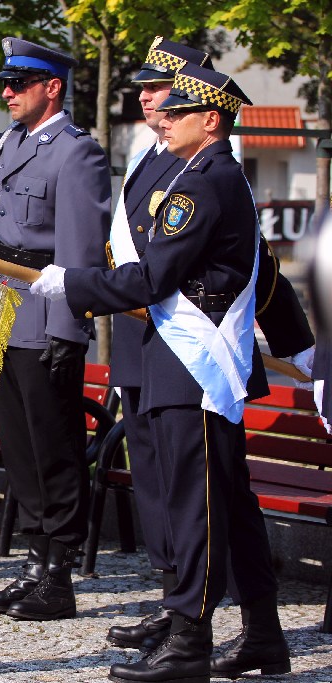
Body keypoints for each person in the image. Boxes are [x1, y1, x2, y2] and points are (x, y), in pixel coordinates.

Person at [32, 63, 291, 682]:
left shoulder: (206, 180)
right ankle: (260, 635)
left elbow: (154, 277)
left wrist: (72, 284)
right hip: (169, 356)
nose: (161, 119)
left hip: (191, 362)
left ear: (210, 119)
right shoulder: (195, 171)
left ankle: (190, 641)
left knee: (197, 503)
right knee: (218, 500)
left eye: (175, 113)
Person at [103, 37, 315, 655]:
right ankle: (182, 609)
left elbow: (258, 265)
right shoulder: (155, 157)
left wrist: (297, 345)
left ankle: (219, 623)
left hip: (192, 345)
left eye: (162, 91)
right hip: (149, 339)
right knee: (165, 488)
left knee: (211, 495)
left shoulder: (204, 166)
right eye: (147, 93)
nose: (152, 102)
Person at [0, 38, 111, 620]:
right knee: (19, 447)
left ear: (52, 87)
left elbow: (80, 250)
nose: (6, 94)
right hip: (4, 314)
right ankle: (35, 566)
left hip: (43, 315)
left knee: (54, 449)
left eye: (18, 84)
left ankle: (58, 576)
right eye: (3, 85)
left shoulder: (75, 153)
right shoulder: (13, 141)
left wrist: (68, 327)